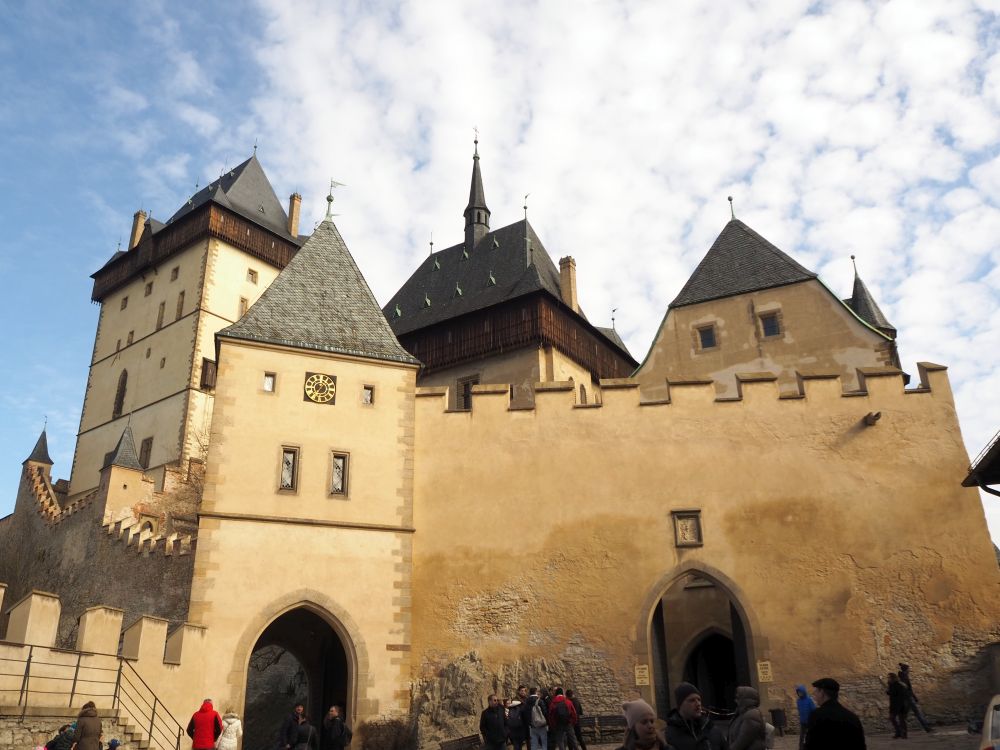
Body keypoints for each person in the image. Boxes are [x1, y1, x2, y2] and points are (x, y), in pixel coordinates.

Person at [804, 678, 866, 750]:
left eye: (816, 691)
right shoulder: (853, 718)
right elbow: (861, 746)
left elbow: (810, 745)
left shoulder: (816, 716)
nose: (814, 694)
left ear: (822, 693)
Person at [664, 682, 726, 750]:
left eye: (699, 700)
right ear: (680, 705)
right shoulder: (669, 735)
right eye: (692, 700)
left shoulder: (713, 730)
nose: (698, 704)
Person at [727, 686, 765, 750]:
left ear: (745, 699)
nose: (735, 700)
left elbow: (742, 740)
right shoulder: (742, 713)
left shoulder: (752, 715)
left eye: (738, 698)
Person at [897, 663, 931, 732]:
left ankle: (900, 729)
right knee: (917, 713)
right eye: (908, 669)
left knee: (904, 715)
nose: (909, 670)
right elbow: (908, 689)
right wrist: (913, 697)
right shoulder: (904, 677)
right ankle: (926, 727)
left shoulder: (902, 677)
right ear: (906, 670)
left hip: (906, 699)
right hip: (908, 698)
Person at [886, 673, 908, 739]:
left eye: (889, 677)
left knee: (902, 720)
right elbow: (890, 693)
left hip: (900, 704)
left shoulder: (899, 685)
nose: (888, 679)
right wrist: (888, 690)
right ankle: (898, 731)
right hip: (893, 704)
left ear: (893, 678)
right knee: (892, 718)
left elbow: (900, 695)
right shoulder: (891, 685)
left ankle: (904, 733)